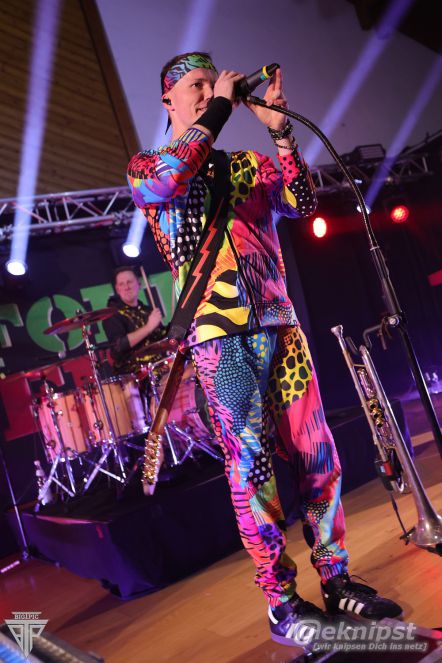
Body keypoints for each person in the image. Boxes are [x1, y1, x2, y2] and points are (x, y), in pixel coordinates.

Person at [126, 52, 402, 647]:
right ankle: (282, 603)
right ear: (168, 100)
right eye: (195, 86)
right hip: (220, 338)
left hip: (281, 325)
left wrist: (280, 132)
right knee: (252, 471)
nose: (208, 92)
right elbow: (172, 177)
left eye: (212, 83)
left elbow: (302, 202)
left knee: (317, 453)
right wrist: (222, 109)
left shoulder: (246, 166)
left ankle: (337, 579)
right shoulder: (148, 166)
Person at [103, 266, 165, 376]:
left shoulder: (148, 310)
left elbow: (162, 338)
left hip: (158, 367)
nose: (126, 287)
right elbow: (119, 345)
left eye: (129, 282)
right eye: (122, 284)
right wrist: (148, 327)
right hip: (133, 375)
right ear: (117, 289)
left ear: (139, 284)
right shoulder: (112, 315)